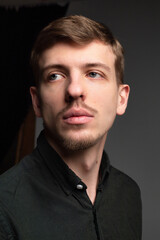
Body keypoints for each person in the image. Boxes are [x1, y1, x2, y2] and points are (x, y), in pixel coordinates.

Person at [0, 15, 142, 240]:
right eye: (55, 75)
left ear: (121, 98)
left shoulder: (129, 194)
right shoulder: (4, 206)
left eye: (94, 73)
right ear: (36, 102)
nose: (74, 90)